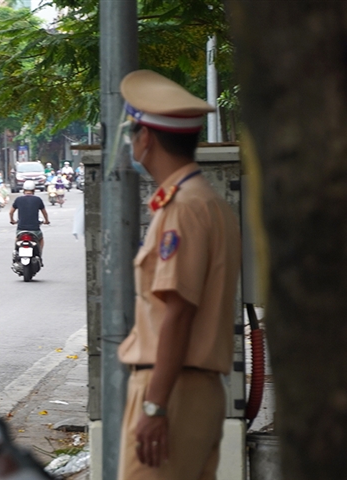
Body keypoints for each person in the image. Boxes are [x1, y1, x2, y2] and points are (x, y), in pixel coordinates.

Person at [116, 70, 241, 480]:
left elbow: (178, 313)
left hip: (172, 389)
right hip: (193, 390)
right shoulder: (207, 202)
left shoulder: (183, 208)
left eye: (131, 132)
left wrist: (155, 406)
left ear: (146, 138)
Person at [8, 180, 50, 257]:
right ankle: (39, 255)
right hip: (35, 229)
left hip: (21, 229)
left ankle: (15, 251)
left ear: (23, 190)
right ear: (34, 190)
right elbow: (44, 213)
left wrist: (12, 220)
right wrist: (46, 221)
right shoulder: (38, 199)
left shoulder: (18, 199)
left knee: (17, 239)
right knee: (41, 239)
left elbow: (11, 212)